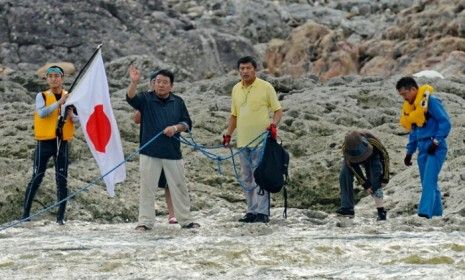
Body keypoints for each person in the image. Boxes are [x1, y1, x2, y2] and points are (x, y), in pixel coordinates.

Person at [126, 66, 199, 230]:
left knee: (179, 187)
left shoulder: (178, 101)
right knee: (147, 188)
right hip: (149, 152)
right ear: (153, 84)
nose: (161, 85)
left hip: (173, 152)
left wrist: (175, 128)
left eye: (165, 82)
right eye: (158, 82)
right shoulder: (145, 98)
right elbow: (131, 98)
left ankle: (186, 221)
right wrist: (134, 82)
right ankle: (145, 222)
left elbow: (187, 123)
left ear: (171, 86)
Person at [223, 56, 283, 223]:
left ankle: (262, 212)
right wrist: (228, 134)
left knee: (260, 176)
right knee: (247, 178)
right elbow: (234, 115)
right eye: (242, 68)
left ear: (255, 69)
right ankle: (251, 211)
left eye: (248, 68)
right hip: (242, 142)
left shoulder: (266, 87)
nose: (245, 71)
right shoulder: (235, 89)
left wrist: (274, 124)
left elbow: (278, 111)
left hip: (261, 142)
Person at [22, 65, 79, 225]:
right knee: (37, 176)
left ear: (62, 78)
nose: (53, 79)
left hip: (62, 142)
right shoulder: (41, 96)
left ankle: (60, 219)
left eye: (57, 76)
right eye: (50, 76)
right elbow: (42, 112)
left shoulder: (70, 96)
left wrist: (71, 115)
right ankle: (25, 215)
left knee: (62, 179)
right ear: (46, 79)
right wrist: (60, 102)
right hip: (45, 142)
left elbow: (77, 119)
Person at [396, 76, 451, 219]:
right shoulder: (413, 108)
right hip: (422, 148)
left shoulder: (431, 102)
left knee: (428, 181)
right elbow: (414, 132)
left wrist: (437, 142)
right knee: (428, 181)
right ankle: (437, 214)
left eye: (404, 94)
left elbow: (445, 123)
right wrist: (409, 152)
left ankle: (424, 214)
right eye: (401, 95)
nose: (403, 97)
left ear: (413, 89)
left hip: (435, 147)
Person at [134, 110, 177, 224]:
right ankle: (147, 218)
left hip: (169, 147)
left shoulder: (173, 101)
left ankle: (173, 214)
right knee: (148, 184)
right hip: (150, 149)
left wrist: (174, 128)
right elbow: (137, 120)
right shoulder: (146, 100)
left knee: (170, 182)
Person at [337, 131, 389, 221]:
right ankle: (347, 208)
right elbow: (352, 167)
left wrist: (385, 177)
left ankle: (381, 212)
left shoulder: (372, 140)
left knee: (375, 179)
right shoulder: (345, 149)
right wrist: (364, 183)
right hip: (351, 160)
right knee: (344, 175)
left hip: (372, 157)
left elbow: (385, 156)